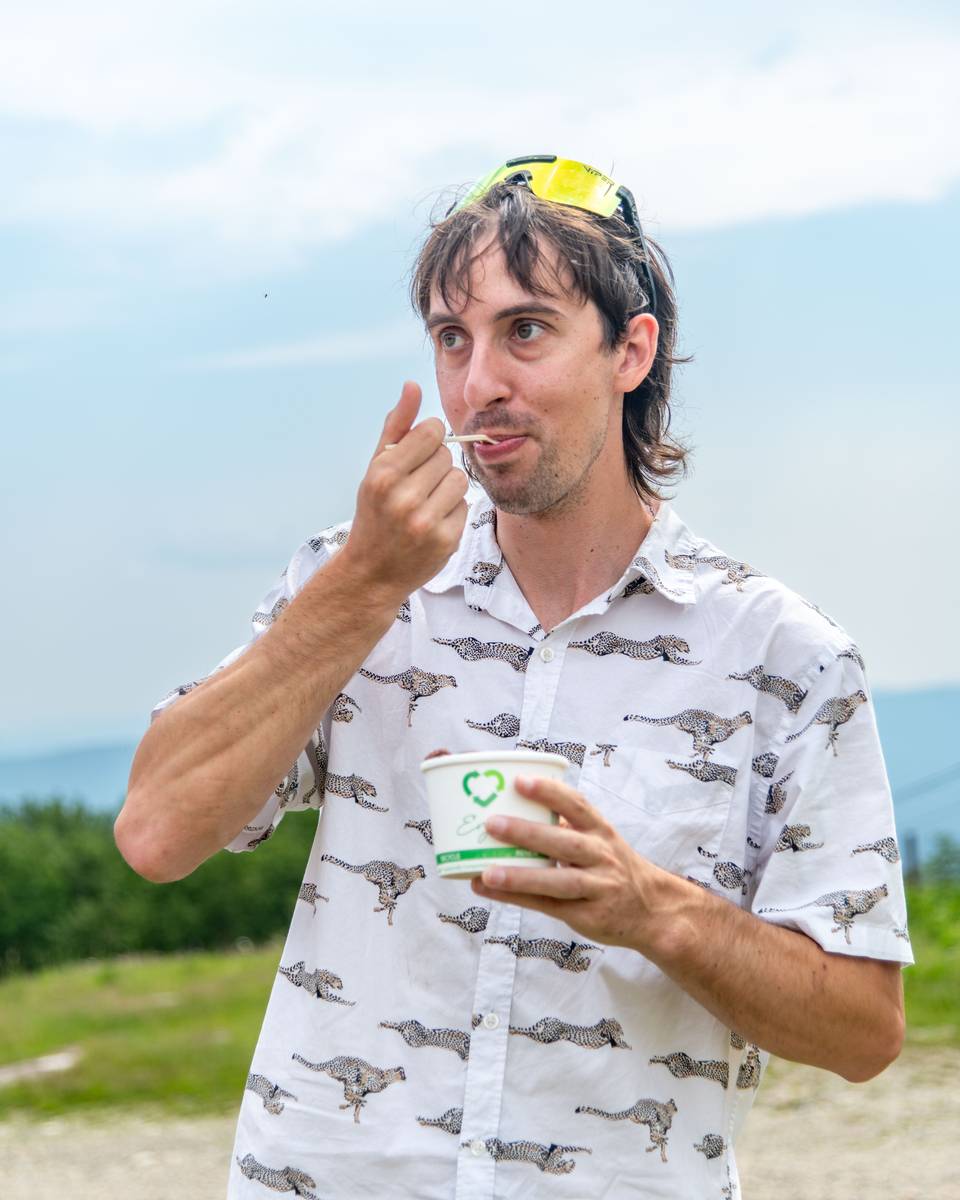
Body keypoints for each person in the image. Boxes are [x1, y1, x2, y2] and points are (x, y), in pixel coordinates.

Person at [116, 155, 912, 1199]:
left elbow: (862, 1031)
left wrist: (651, 909)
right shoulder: (352, 580)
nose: (477, 381)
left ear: (633, 350)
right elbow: (157, 832)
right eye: (454, 337)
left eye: (525, 331)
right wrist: (362, 583)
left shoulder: (782, 655)